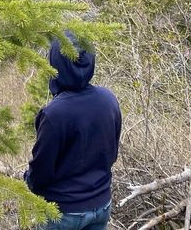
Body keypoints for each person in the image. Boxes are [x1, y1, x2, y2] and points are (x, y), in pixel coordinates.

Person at [24, 33, 122, 230]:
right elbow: (111, 155)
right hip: (101, 204)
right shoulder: (109, 100)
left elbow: (41, 172)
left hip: (63, 212)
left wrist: (28, 179)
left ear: (56, 64)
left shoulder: (54, 113)